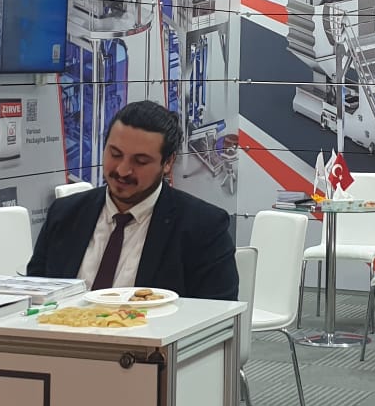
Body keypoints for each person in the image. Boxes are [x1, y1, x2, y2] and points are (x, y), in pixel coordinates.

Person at [27, 100, 238, 300]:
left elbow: (217, 312)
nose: (123, 170)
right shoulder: (65, 213)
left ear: (168, 163)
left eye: (140, 161)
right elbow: (34, 297)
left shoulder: (203, 228)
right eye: (115, 154)